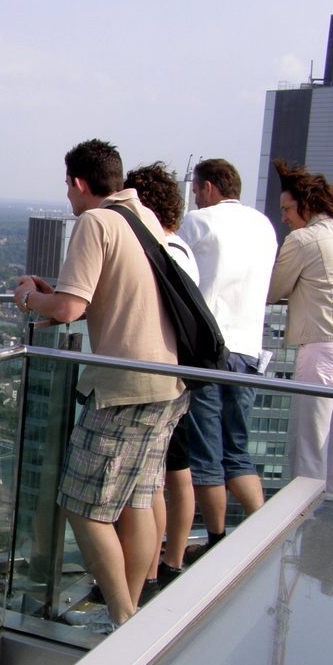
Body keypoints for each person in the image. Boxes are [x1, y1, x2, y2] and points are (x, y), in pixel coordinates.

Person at [13, 140, 188, 631]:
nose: (68, 198)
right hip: (168, 382)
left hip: (122, 387)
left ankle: (122, 614)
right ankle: (130, 612)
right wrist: (61, 297)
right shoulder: (144, 219)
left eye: (67, 187)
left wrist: (29, 298)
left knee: (83, 506)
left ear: (78, 182)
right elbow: (96, 298)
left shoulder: (95, 222)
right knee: (136, 498)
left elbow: (70, 310)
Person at [178, 158, 277, 561]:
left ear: (209, 188)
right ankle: (266, 530)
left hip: (209, 349)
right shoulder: (264, 226)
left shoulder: (200, 223)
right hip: (249, 349)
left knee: (205, 454)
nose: (197, 199)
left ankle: (216, 542)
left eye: (198, 190)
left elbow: (176, 274)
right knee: (237, 449)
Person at [123, 163, 198, 597]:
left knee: (145, 486)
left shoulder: (156, 251)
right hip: (178, 381)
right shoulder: (183, 250)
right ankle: (153, 574)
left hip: (153, 381)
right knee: (161, 479)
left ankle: (139, 582)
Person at [267, 159, 333, 494]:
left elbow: (273, 290)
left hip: (319, 349)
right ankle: (332, 541)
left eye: (287, 209)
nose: (284, 218)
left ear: (306, 204)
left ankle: (302, 538)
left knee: (308, 451)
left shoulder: (303, 240)